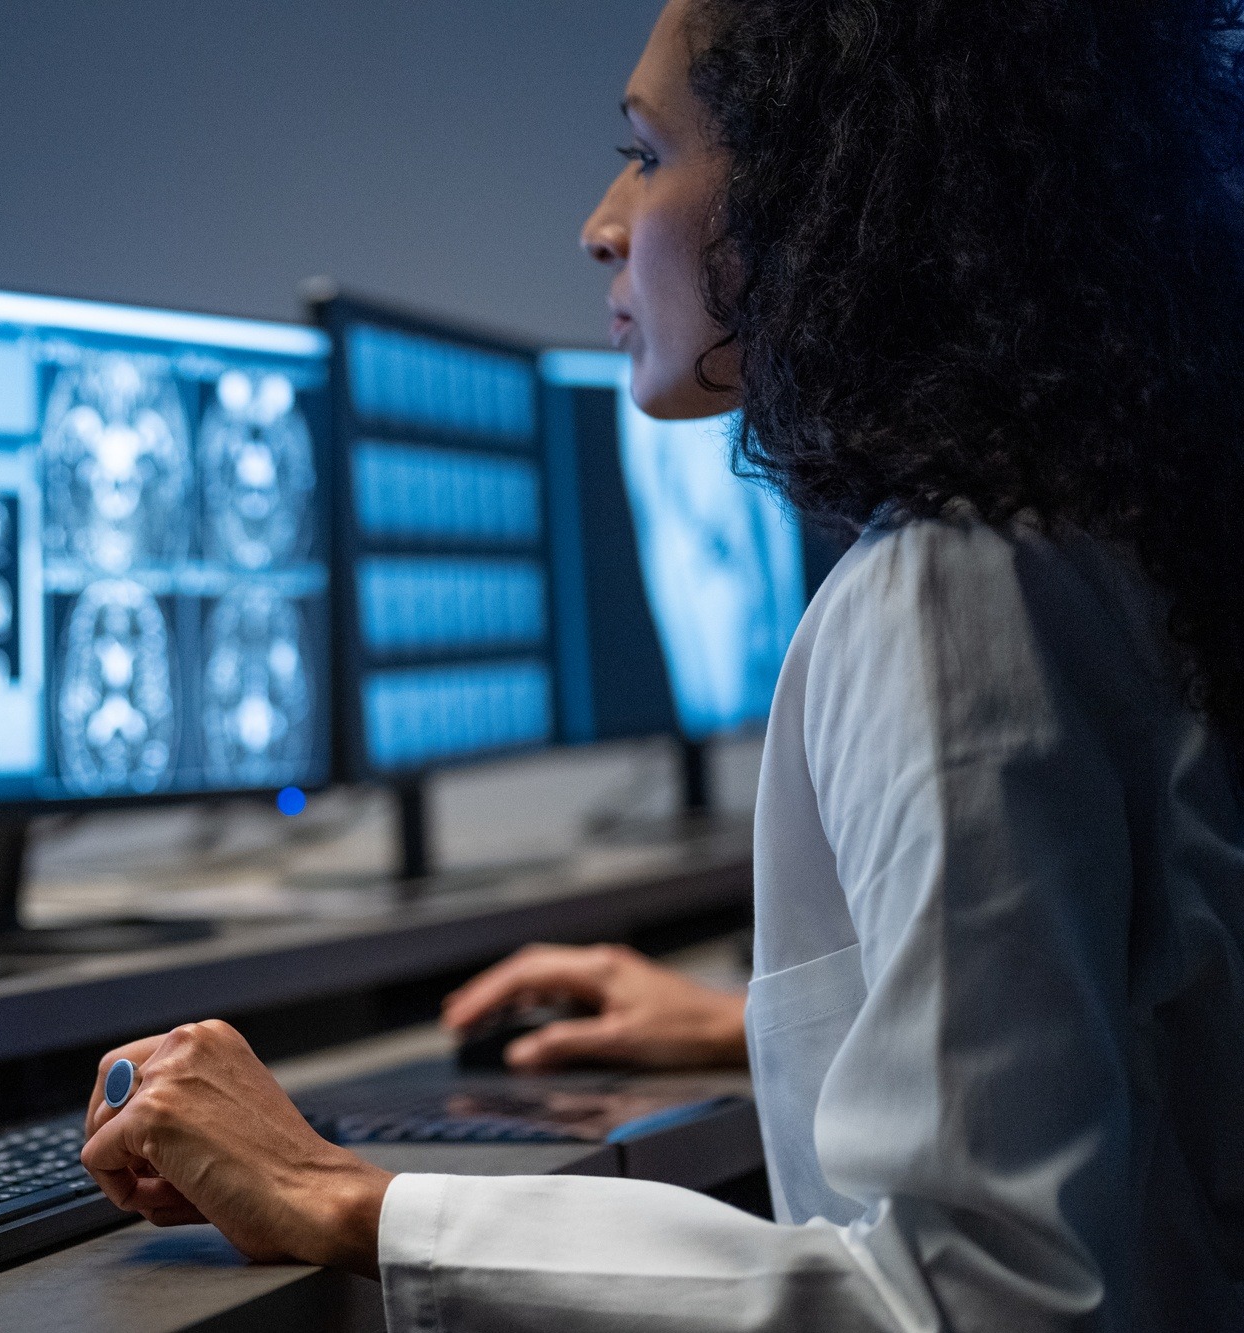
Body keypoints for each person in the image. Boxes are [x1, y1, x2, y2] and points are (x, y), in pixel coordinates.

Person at [79, 0, 1244, 1326]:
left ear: (825, 186)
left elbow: (986, 1299)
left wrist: (354, 1197)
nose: (602, 221)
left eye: (645, 150)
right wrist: (743, 1023)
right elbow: (1111, 1022)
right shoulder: (1092, 539)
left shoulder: (946, 594)